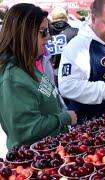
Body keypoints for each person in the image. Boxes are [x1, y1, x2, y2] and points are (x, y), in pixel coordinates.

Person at [0, 3, 77, 150]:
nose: (48, 37)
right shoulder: (12, 78)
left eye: (48, 31)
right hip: (32, 159)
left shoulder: (29, 65)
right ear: (24, 33)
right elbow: (25, 129)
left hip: (50, 151)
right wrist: (64, 118)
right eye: (43, 32)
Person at [48, 7, 79, 86]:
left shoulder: (45, 34)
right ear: (66, 18)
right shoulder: (76, 32)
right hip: (71, 75)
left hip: (49, 75)